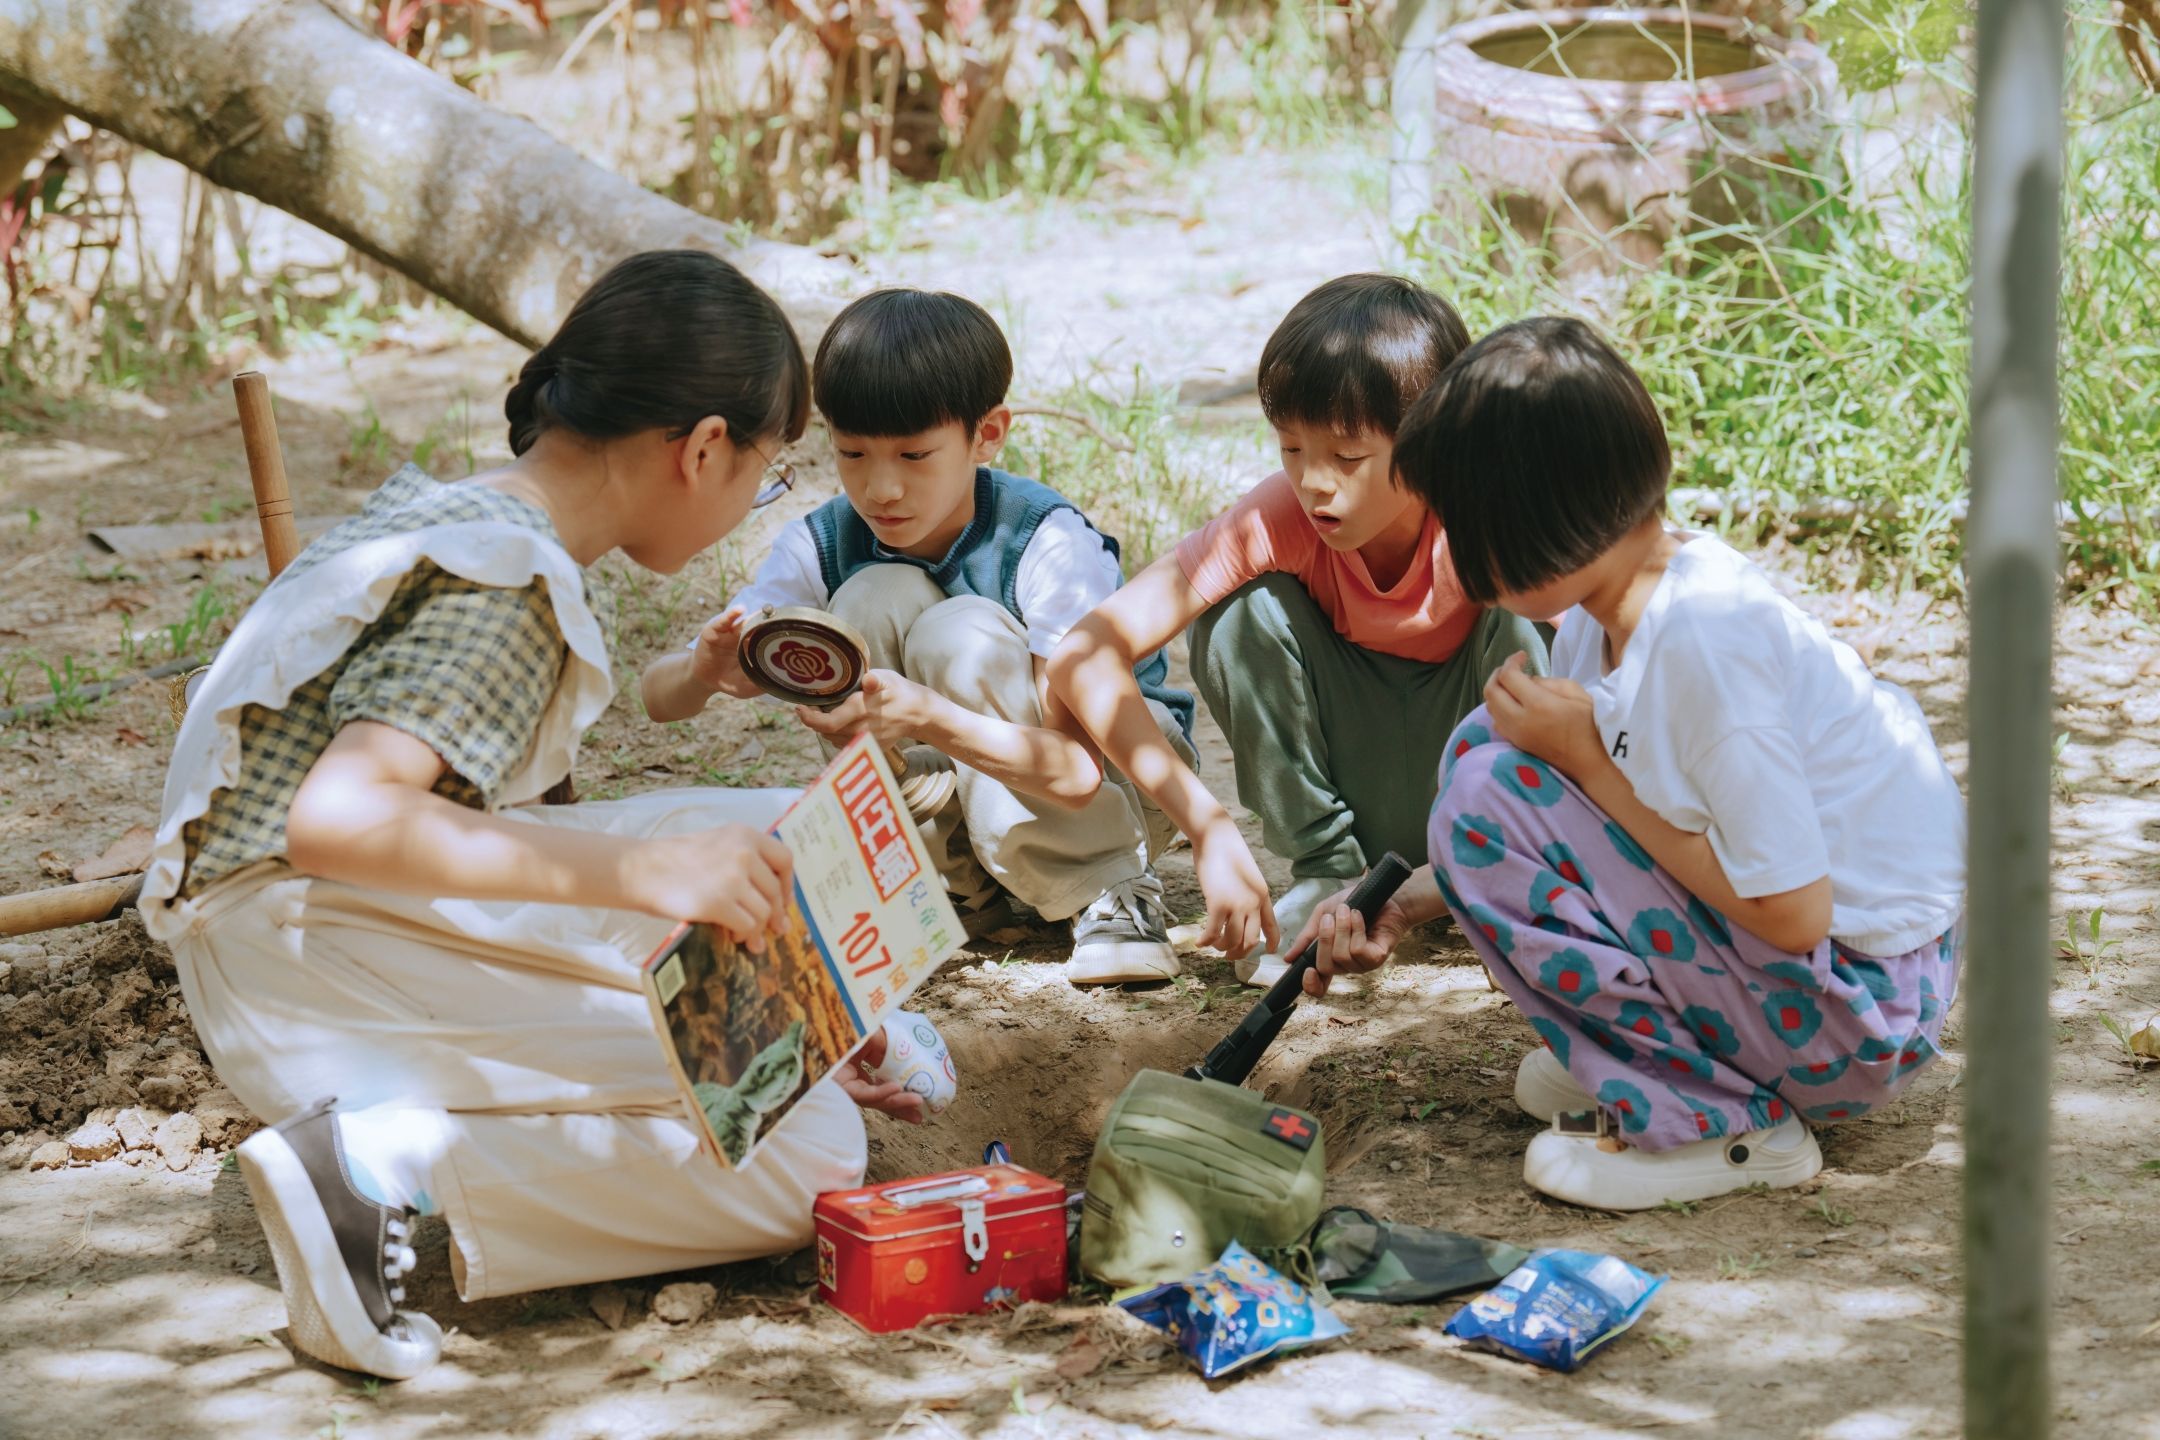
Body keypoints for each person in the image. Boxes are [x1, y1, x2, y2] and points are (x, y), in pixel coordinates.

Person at [137, 252, 925, 1382]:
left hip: (303, 921)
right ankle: (375, 1163)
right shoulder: (509, 583)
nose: (758, 496)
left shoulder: (479, 512)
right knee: (809, 1154)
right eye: (768, 467)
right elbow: (343, 818)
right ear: (704, 448)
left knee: (769, 835)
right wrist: (648, 883)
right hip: (301, 956)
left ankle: (691, 1060)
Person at [1285, 317, 1965, 1210]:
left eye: (1460, 519)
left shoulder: (1705, 649)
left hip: (1860, 1014)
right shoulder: (1609, 617)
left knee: (1495, 790)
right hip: (1818, 983)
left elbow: (1796, 914)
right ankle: (1660, 1063)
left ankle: (1726, 1124)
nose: (1450, 544)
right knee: (1490, 750)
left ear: (1525, 521)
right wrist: (1408, 904)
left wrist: (1592, 767)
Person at [643, 288, 1198, 986]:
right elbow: (660, 701)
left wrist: (927, 714)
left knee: (955, 629)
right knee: (870, 599)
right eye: (852, 453)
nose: (880, 490)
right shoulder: (823, 542)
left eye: (913, 455)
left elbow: (1077, 768)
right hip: (977, 790)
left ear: (987, 434)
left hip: (1120, 780)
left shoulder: (1044, 543)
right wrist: (703, 668)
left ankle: (1105, 887)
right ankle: (953, 881)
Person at [1050, 274, 1548, 986]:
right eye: (1290, 448)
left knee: (1532, 609)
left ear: (1435, 442)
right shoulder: (1282, 516)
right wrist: (1207, 827)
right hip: (1359, 809)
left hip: (1486, 802)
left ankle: (1506, 877)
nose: (1314, 482)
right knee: (1236, 613)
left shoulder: (1489, 518)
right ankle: (1329, 873)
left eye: (1347, 458)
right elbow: (1083, 655)